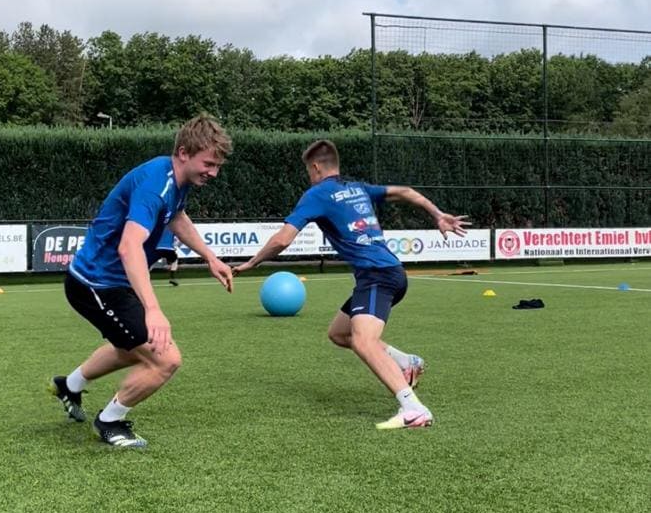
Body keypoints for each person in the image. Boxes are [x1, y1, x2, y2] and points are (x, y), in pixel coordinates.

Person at [236, 138, 469, 429]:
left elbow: (283, 239)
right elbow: (406, 192)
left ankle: (413, 409)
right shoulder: (357, 189)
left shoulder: (316, 194)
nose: (309, 177)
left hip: (377, 275)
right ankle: (408, 362)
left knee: (362, 340)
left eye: (309, 171)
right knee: (339, 333)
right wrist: (437, 214)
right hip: (388, 272)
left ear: (316, 167)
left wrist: (252, 262)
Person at [49, 115, 233, 449]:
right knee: (165, 358)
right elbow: (129, 245)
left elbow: (176, 217)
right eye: (208, 163)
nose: (213, 172)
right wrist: (153, 309)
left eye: (217, 166)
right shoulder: (155, 185)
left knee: (131, 348)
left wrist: (210, 256)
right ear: (183, 153)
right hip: (97, 284)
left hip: (109, 282)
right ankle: (109, 421)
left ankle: (69, 386)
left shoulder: (176, 182)